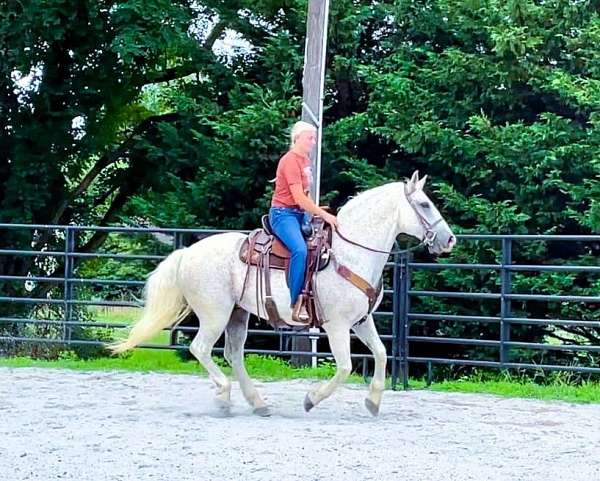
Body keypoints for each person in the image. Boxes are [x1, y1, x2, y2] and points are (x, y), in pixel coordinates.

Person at [269, 121, 338, 322]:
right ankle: (296, 301)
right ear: (297, 138)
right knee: (300, 249)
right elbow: (298, 197)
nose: (314, 142)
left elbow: (305, 195)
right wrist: (324, 214)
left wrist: (313, 212)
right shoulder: (290, 161)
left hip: (299, 214)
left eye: (314, 138)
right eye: (310, 138)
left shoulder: (305, 160)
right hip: (283, 214)